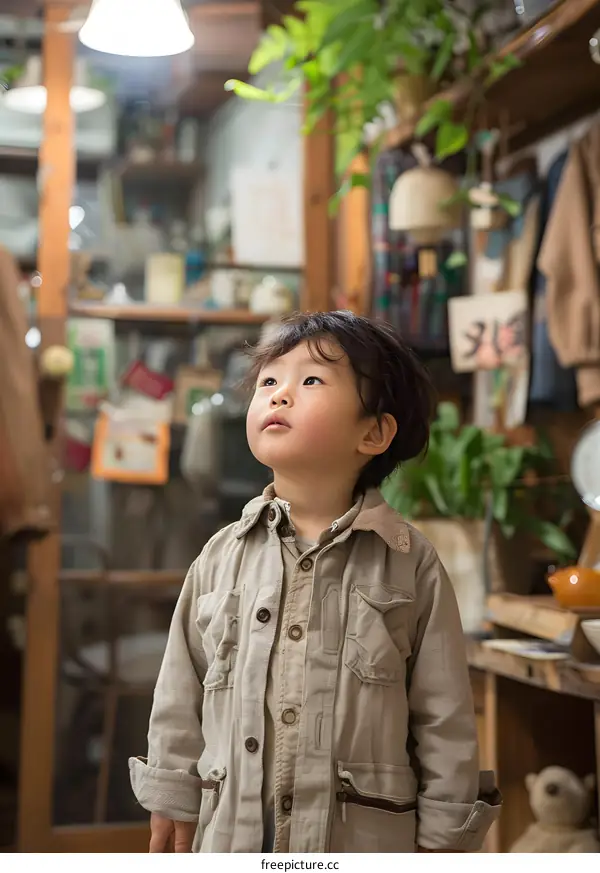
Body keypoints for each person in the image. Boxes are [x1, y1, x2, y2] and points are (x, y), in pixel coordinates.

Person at [129, 310, 501, 853]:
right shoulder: (219, 557)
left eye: (310, 380)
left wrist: (445, 844)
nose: (279, 395)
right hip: (233, 837)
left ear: (373, 432)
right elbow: (179, 690)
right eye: (268, 382)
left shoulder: (410, 564)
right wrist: (171, 792)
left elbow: (444, 719)